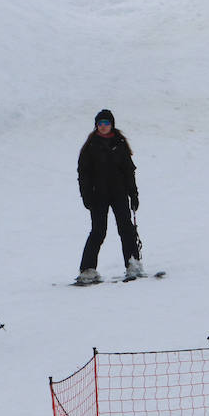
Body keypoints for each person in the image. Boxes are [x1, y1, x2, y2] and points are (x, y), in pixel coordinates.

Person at [76, 108, 143, 284]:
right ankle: (87, 269)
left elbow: (129, 171)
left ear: (112, 124)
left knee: (126, 228)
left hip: (119, 192)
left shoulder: (120, 143)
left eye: (106, 123)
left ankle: (133, 263)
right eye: (100, 123)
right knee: (99, 231)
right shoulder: (90, 146)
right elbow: (83, 174)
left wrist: (133, 194)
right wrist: (86, 196)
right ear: (96, 125)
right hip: (98, 195)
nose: (103, 126)